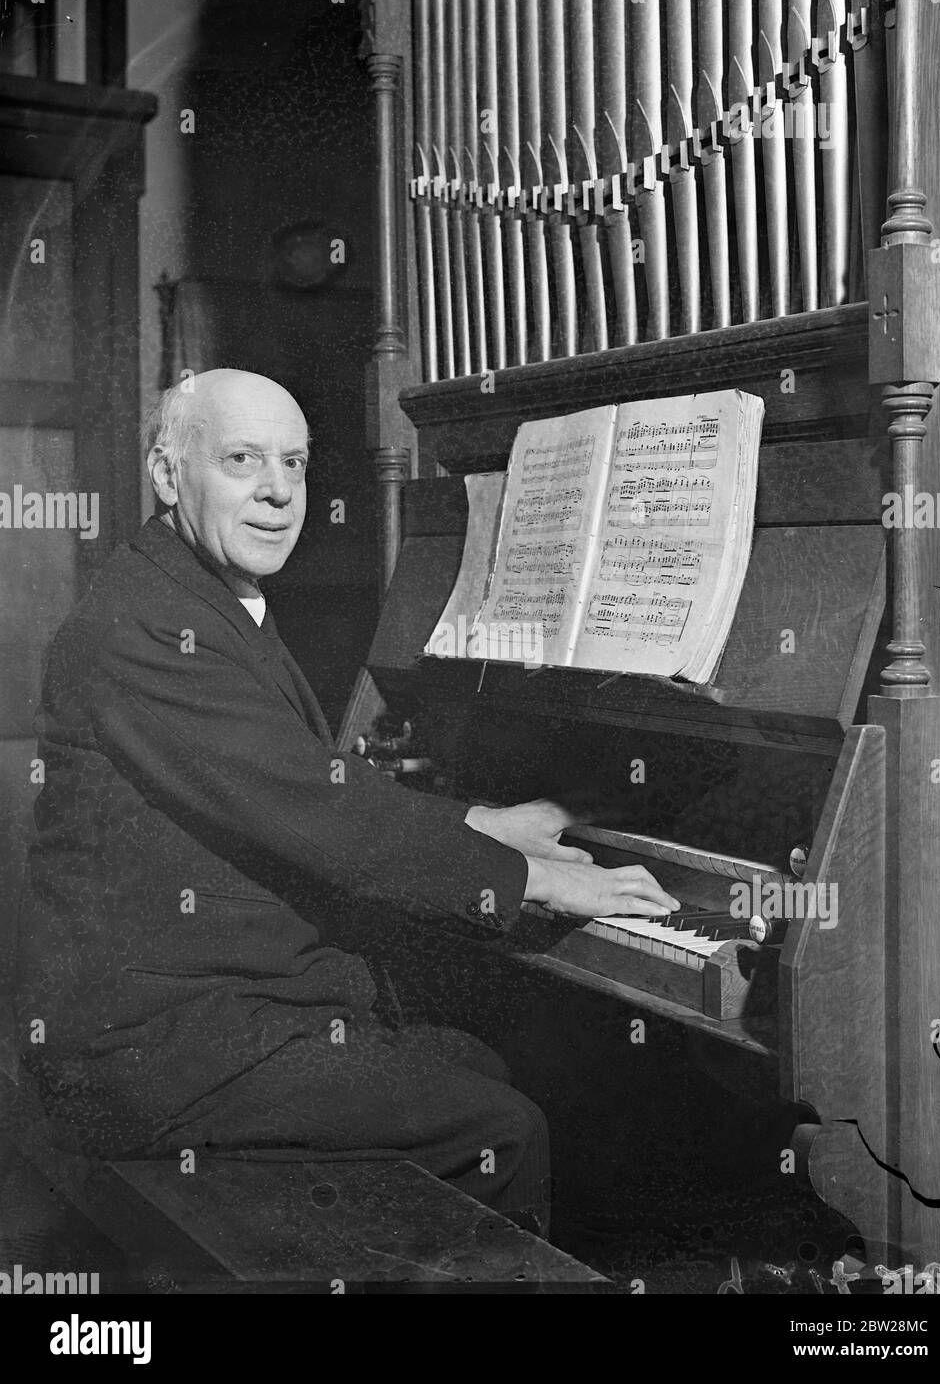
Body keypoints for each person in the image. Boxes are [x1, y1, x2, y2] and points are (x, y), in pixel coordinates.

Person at [15, 370, 675, 1236]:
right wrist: (541, 881)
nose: (279, 491)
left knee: (496, 1063)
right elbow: (319, 813)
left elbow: (298, 780)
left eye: (294, 462)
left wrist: (476, 824)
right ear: (169, 476)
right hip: (155, 1054)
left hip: (212, 1011)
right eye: (243, 460)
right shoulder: (145, 625)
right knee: (500, 1130)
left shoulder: (201, 593)